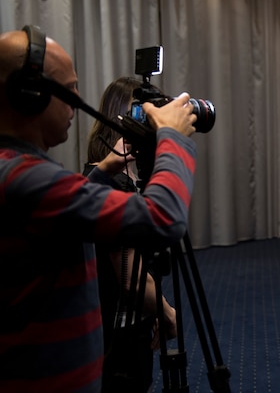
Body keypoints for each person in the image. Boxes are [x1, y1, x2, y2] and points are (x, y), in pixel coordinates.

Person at [0, 25, 197, 393]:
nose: (78, 100)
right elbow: (163, 219)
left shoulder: (13, 168)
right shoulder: (29, 180)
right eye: (70, 89)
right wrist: (172, 138)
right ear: (31, 95)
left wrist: (103, 169)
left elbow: (61, 222)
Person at [84, 77, 178, 392]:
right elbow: (129, 278)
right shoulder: (112, 184)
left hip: (116, 324)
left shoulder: (94, 174)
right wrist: (165, 312)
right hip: (119, 335)